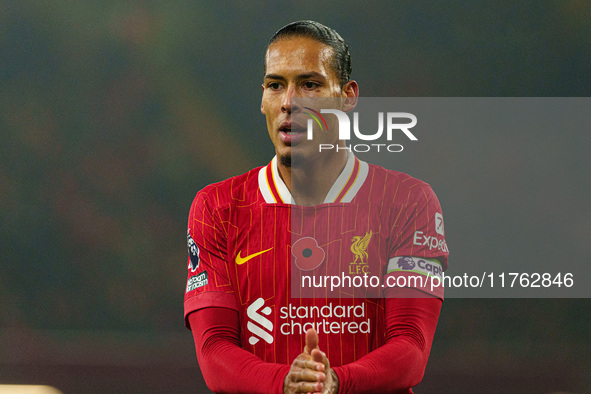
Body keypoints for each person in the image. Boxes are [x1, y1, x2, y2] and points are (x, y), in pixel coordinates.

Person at [184, 20, 449, 393]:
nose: (289, 102)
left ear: (347, 97)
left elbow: (412, 347)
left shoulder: (408, 203)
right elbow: (214, 351)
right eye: (276, 85)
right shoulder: (217, 208)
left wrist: (337, 382)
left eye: (310, 84)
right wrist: (285, 384)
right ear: (263, 99)